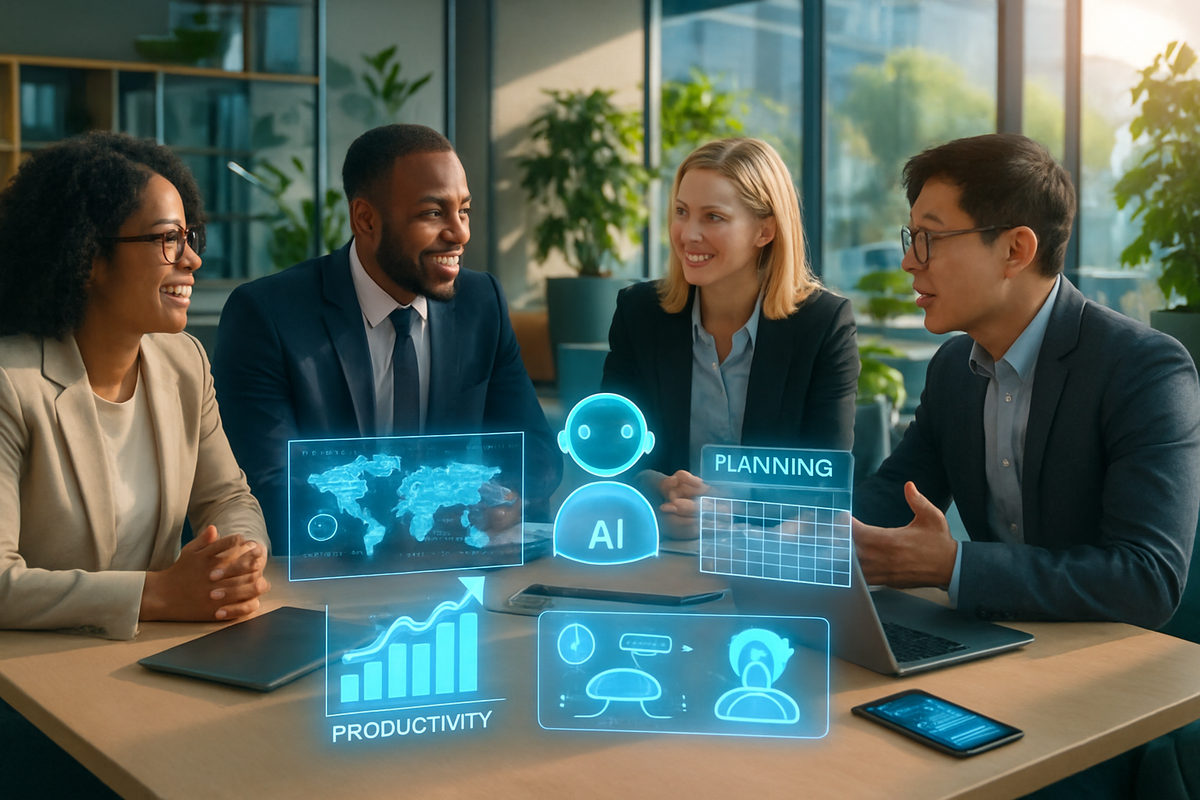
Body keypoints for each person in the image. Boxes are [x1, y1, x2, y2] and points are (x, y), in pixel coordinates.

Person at [853, 133, 1200, 630]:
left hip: (1103, 658)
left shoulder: (1143, 369)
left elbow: (1147, 578)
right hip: (992, 641)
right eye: (911, 238)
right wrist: (791, 527)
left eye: (930, 238)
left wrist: (953, 566)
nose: (909, 261)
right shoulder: (953, 369)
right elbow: (893, 494)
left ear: (1016, 250)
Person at [213, 124, 562, 552]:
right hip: (325, 568)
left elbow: (537, 451)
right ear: (366, 219)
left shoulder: (480, 302)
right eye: (433, 213)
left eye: (464, 210)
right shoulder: (268, 314)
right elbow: (268, 483)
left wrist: (508, 497)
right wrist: (411, 521)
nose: (460, 233)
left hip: (451, 565)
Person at [0, 131, 271, 641]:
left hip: (156, 650)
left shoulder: (185, 362)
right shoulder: (10, 385)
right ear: (89, 258)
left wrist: (238, 557)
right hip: (32, 668)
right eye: (167, 239)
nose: (191, 259)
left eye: (190, 237)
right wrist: (158, 594)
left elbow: (228, 498)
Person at [601, 137, 859, 534]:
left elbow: (824, 482)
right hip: (664, 545)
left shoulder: (823, 324)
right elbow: (607, 450)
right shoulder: (640, 313)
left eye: (713, 217)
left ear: (765, 230)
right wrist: (658, 489)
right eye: (682, 212)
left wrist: (729, 509)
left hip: (769, 550)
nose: (688, 234)